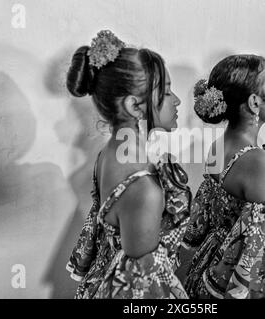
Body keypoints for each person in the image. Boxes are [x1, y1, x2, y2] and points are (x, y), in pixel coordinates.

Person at [65, 30, 191, 299]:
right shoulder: (142, 187)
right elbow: (143, 289)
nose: (177, 100)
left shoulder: (108, 155)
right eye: (167, 91)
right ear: (135, 106)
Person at [180, 54, 265, 299]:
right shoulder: (258, 163)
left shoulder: (219, 145)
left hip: (208, 265)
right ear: (254, 102)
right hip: (233, 280)